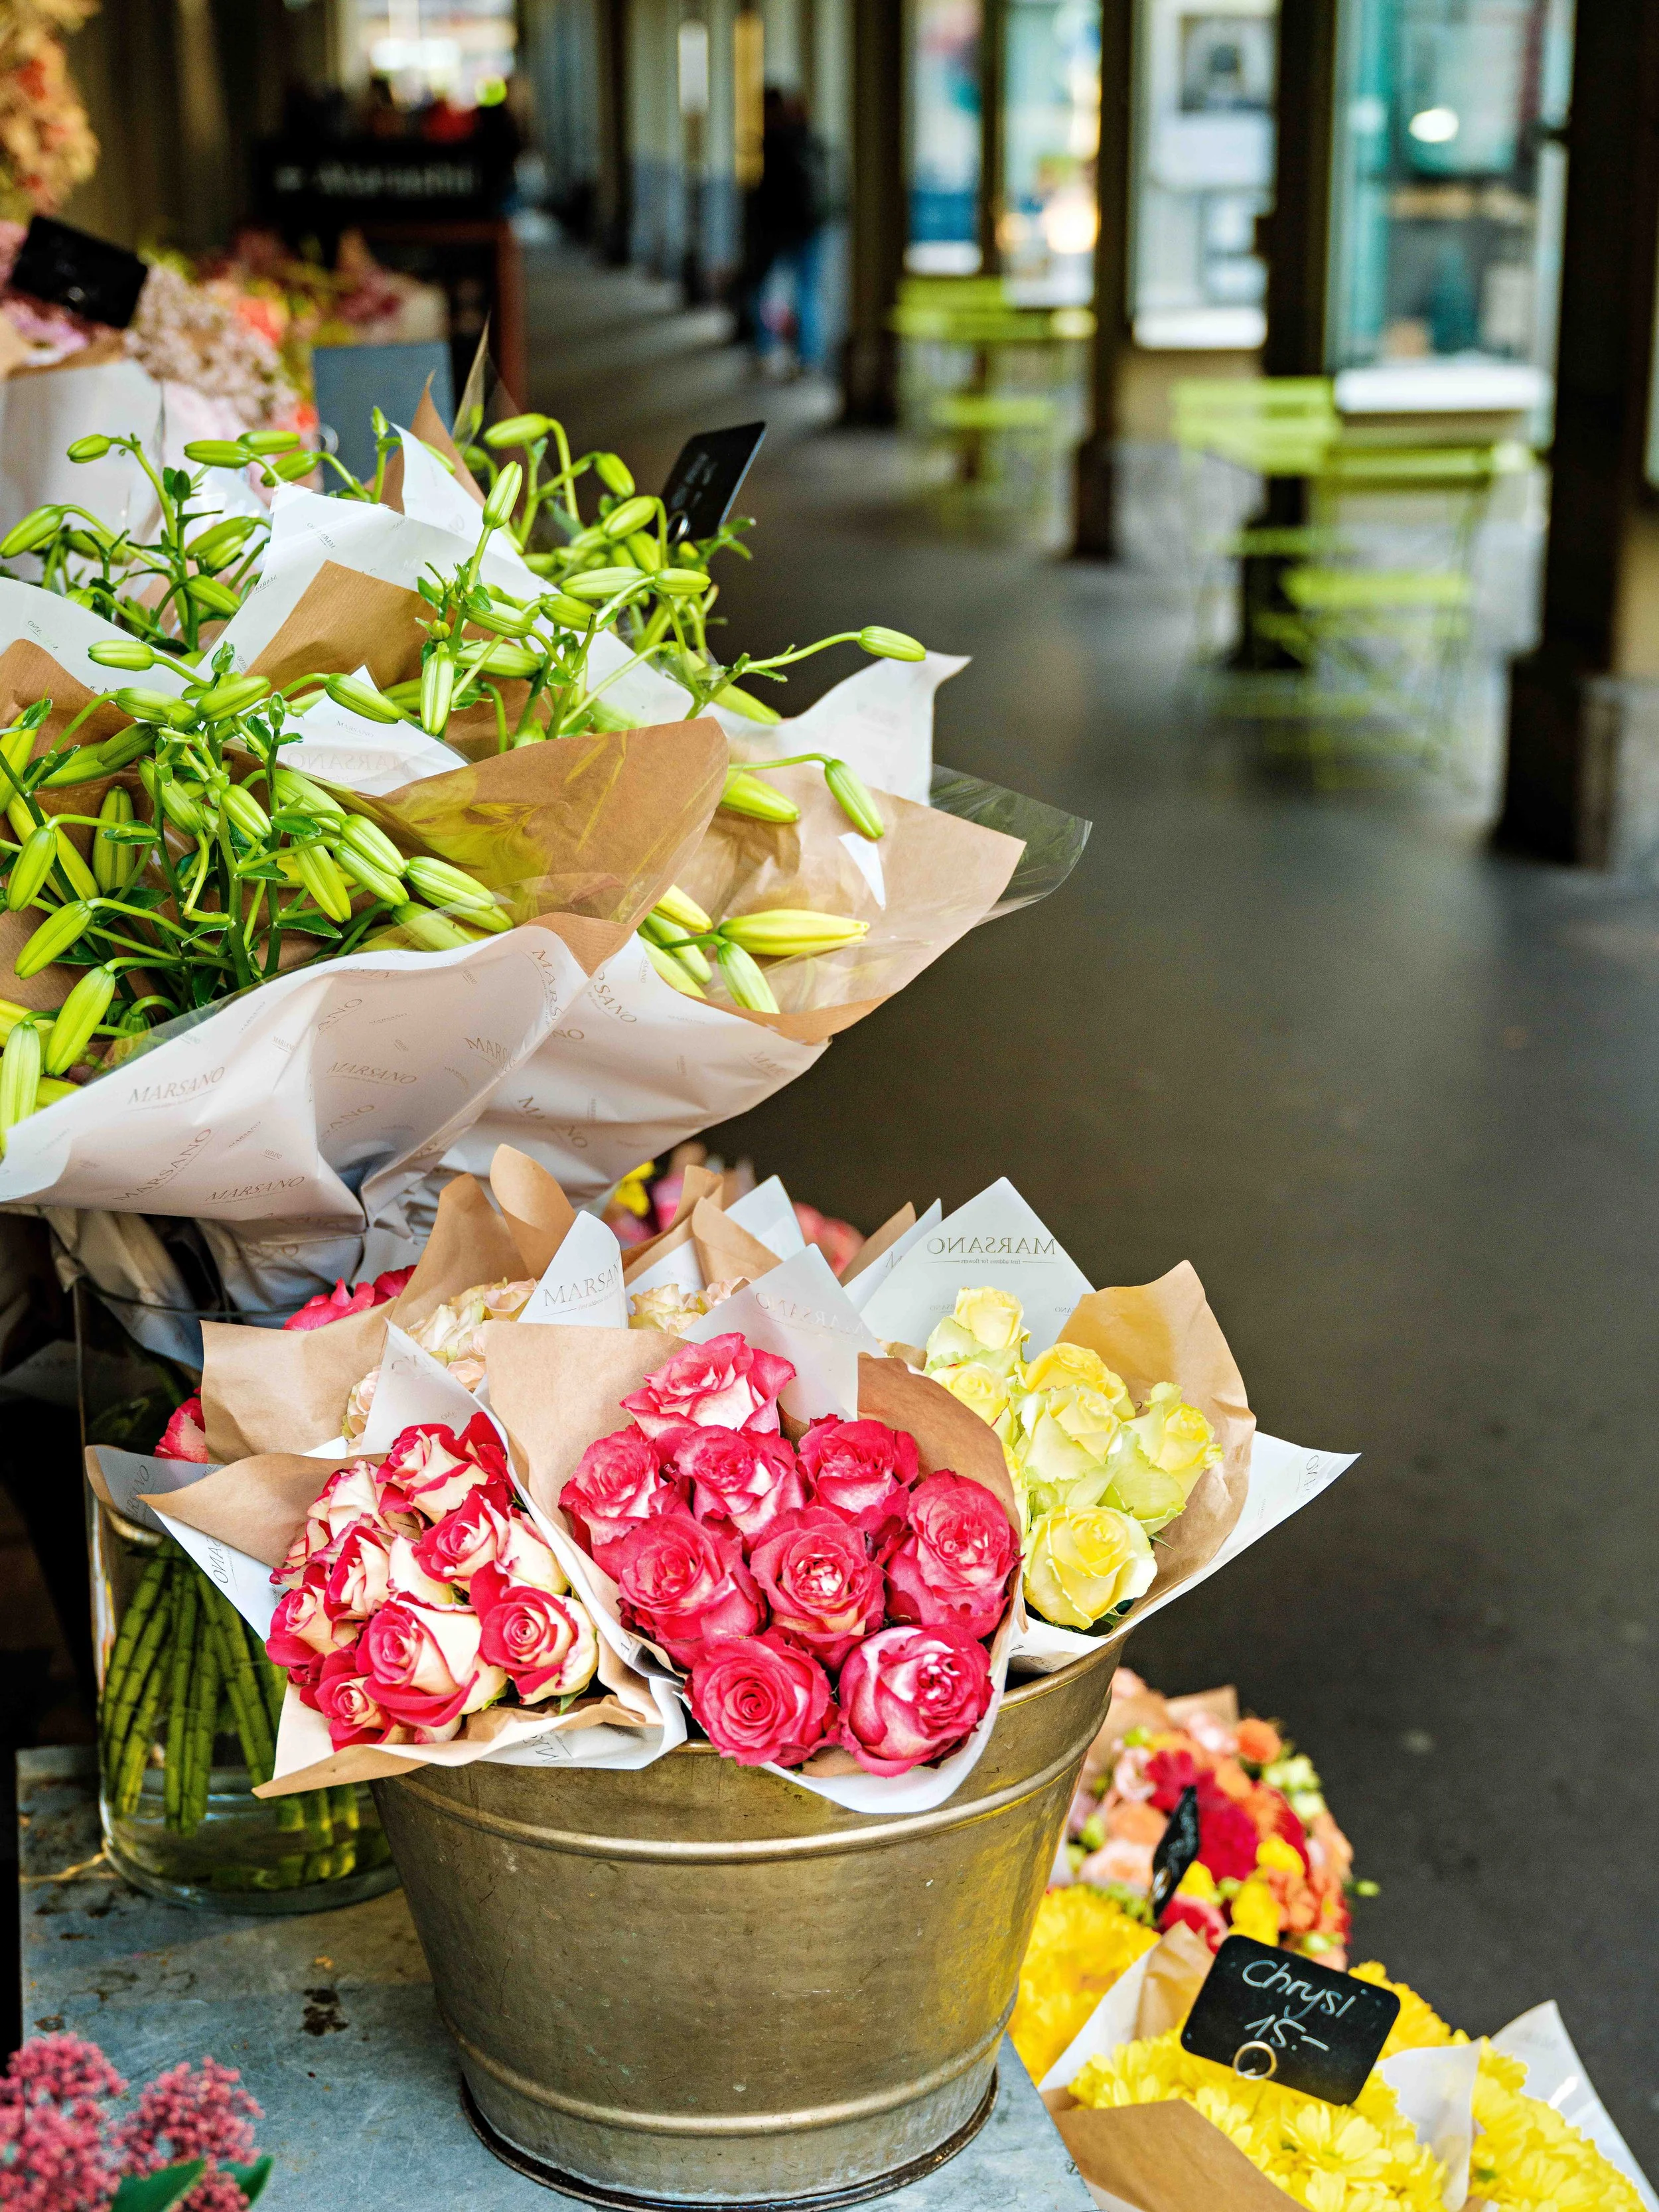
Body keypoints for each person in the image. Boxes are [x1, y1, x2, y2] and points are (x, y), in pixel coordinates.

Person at [737, 86, 830, 377]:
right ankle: (808, 357)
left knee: (763, 290)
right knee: (807, 292)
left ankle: (766, 350)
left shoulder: (774, 144)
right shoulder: (808, 139)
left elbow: (768, 196)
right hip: (810, 228)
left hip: (779, 231)